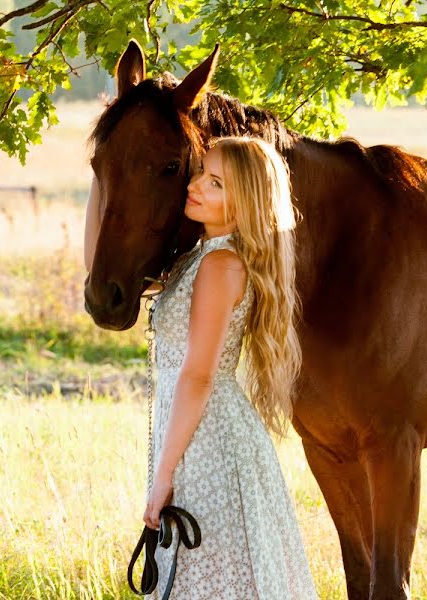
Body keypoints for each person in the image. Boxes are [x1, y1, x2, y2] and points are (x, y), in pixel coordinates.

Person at [85, 137, 318, 599]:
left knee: (213, 577)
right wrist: (103, 171)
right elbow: (92, 265)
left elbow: (199, 375)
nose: (195, 186)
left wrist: (163, 475)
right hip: (193, 428)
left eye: (215, 183)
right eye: (200, 174)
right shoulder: (199, 256)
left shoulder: (221, 266)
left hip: (208, 439)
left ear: (243, 202)